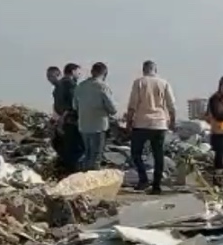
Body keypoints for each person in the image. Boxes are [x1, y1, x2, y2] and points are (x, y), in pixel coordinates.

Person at [125, 60, 177, 194]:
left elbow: (132, 105)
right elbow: (172, 106)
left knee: (136, 154)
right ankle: (156, 185)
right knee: (158, 156)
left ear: (144, 69)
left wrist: (128, 122)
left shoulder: (139, 82)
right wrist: (172, 122)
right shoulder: (164, 83)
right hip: (159, 124)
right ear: (155, 70)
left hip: (141, 123)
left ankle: (143, 179)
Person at [74, 62, 117, 171]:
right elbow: (112, 109)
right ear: (105, 74)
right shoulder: (102, 87)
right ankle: (92, 180)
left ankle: (84, 177)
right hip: (98, 126)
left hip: (83, 125)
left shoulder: (80, 86)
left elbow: (75, 106)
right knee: (96, 156)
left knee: (87, 154)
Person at [53, 64, 83, 174]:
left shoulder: (58, 86)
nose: (80, 74)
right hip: (71, 122)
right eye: (79, 72)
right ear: (73, 71)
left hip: (63, 123)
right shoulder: (71, 85)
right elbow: (72, 105)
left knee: (67, 151)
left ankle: (67, 174)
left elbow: (57, 106)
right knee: (76, 151)